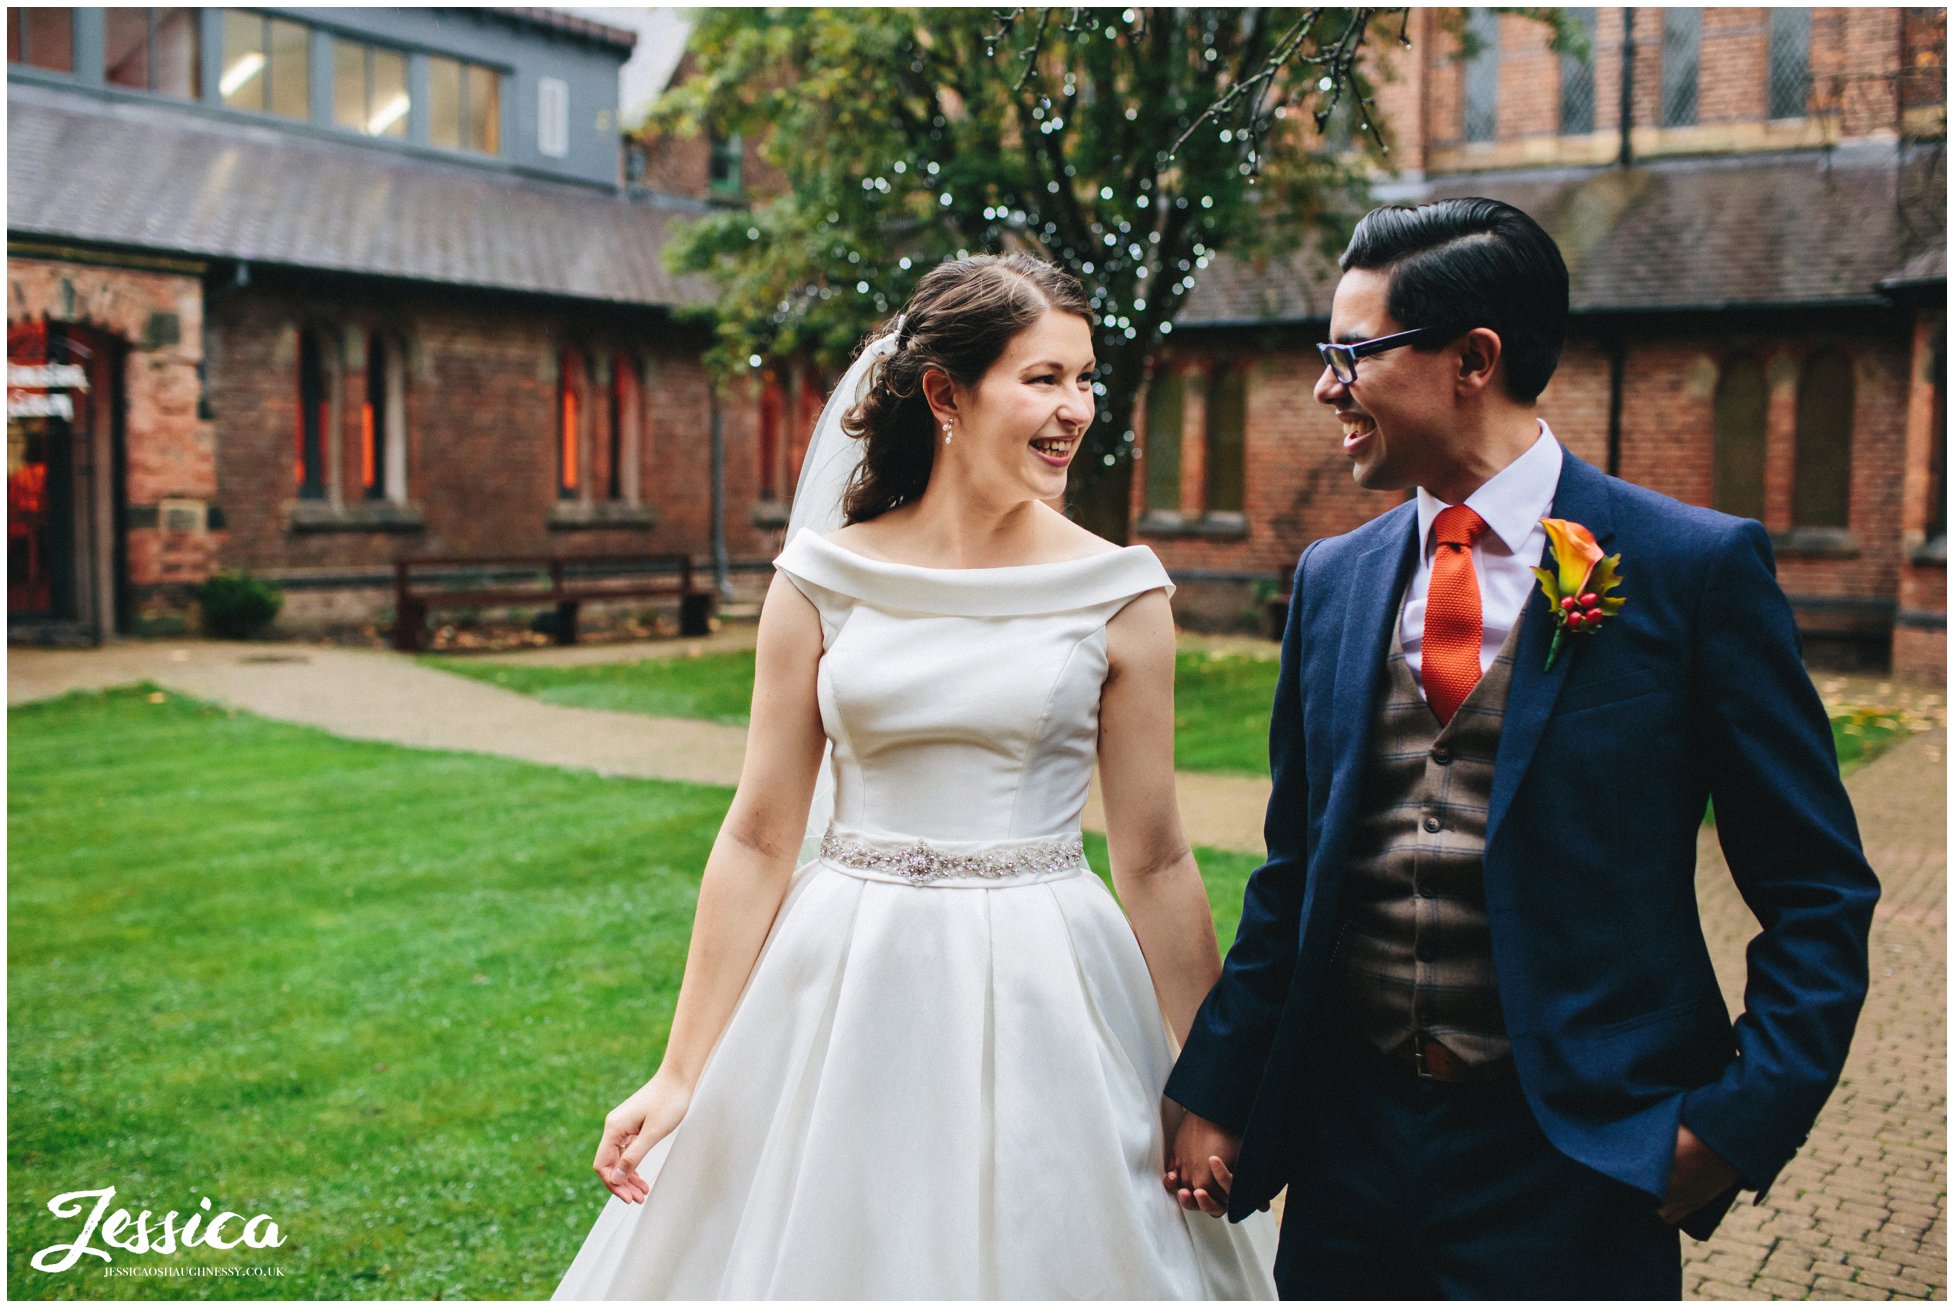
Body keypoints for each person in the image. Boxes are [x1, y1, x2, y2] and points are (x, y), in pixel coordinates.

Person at [1160, 198, 1880, 1299]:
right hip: (1347, 1155)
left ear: (1472, 360)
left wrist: (1731, 1128)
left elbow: (1817, 888)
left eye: (1350, 354)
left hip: (1577, 1165)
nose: (1324, 387)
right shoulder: (1331, 581)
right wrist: (1217, 1083)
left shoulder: (1691, 571)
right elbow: (1296, 873)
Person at [551, 253, 1276, 1299]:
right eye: (1042, 379)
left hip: (1050, 987)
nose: (1075, 409)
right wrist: (680, 1070)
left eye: (1084, 379)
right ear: (945, 393)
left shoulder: (1120, 593)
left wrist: (1212, 1081)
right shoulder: (820, 579)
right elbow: (758, 834)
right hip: (843, 976)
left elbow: (1157, 858)